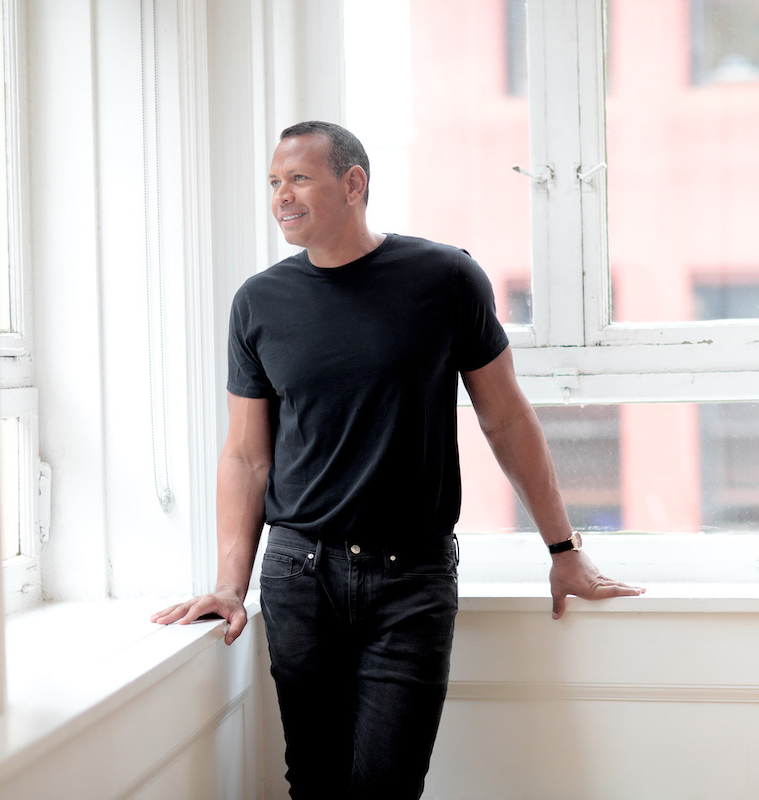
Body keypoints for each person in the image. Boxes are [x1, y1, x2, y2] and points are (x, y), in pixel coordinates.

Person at [152, 120, 644, 799]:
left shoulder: (445, 278)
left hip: (411, 577)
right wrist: (231, 585)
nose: (281, 197)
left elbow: (506, 418)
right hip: (301, 574)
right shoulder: (258, 302)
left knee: (389, 785)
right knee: (316, 783)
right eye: (273, 182)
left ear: (353, 184)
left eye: (298, 178)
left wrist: (563, 547)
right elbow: (245, 456)